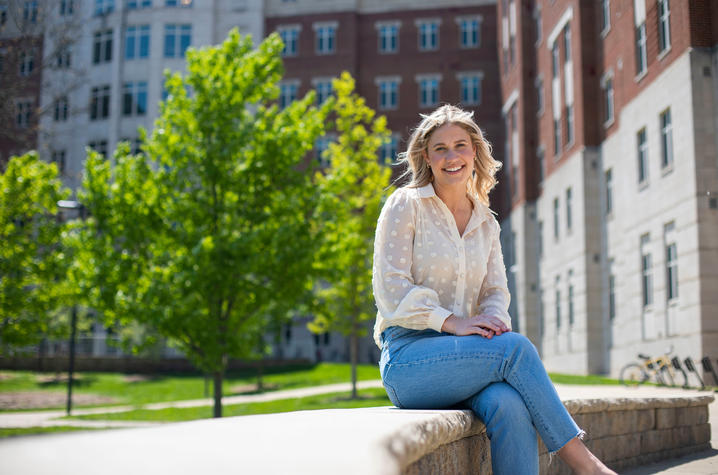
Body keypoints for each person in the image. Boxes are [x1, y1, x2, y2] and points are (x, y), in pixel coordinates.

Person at [372, 105, 615, 475]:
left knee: (509, 404)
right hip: (409, 359)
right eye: (440, 148)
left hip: (469, 358)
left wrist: (491, 327)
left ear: (475, 152)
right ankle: (587, 466)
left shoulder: (486, 221)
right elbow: (390, 288)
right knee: (515, 348)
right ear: (426, 156)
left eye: (460, 146)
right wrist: (452, 322)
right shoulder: (406, 205)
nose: (451, 157)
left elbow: (495, 293)